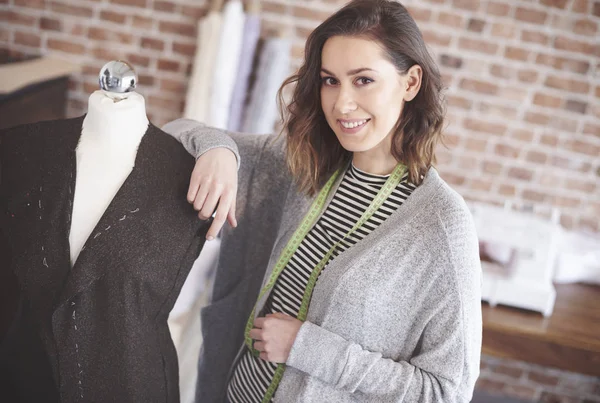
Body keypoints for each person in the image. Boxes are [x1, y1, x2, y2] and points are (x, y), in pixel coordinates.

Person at [164, 0, 482, 401]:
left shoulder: (441, 225)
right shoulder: (297, 166)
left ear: (410, 82)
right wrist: (219, 151)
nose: (341, 103)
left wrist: (310, 349)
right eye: (330, 80)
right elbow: (173, 133)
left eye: (363, 80)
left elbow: (446, 391)